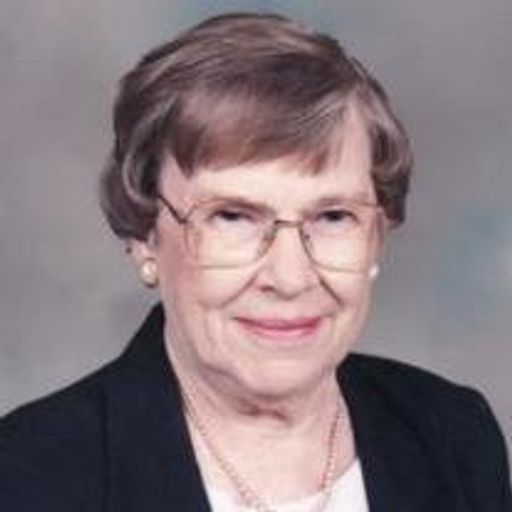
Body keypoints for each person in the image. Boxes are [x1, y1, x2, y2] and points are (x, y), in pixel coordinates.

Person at [1, 12, 510, 512]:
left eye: (333, 216)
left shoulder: (453, 434)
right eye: (233, 216)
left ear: (377, 235)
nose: (289, 278)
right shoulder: (28, 474)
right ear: (144, 236)